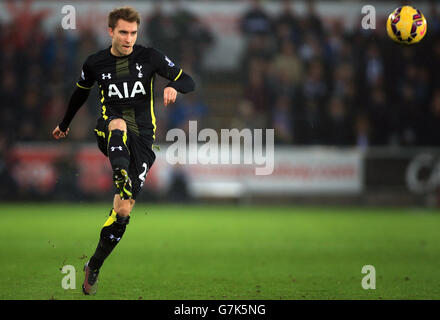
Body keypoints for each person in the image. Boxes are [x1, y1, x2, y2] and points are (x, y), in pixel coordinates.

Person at [51, 6, 195, 295]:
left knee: (123, 212)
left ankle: (94, 264)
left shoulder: (150, 57)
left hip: (143, 139)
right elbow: (80, 92)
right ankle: (120, 173)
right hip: (110, 130)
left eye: (133, 32)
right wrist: (64, 123)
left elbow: (187, 80)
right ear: (111, 32)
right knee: (117, 122)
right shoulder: (95, 63)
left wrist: (174, 88)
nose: (129, 38)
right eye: (123, 32)